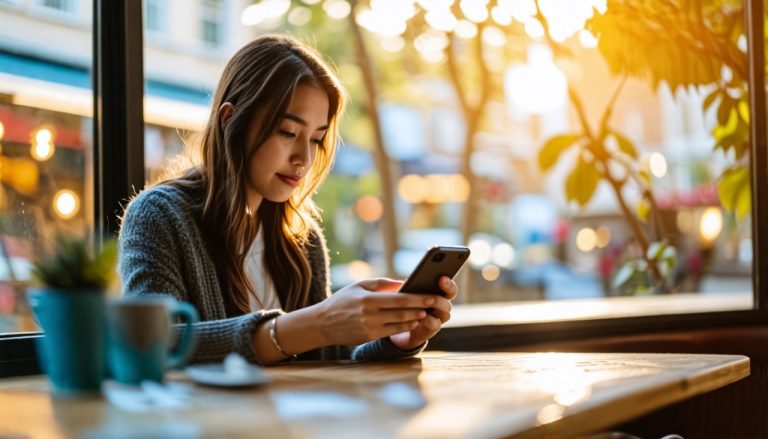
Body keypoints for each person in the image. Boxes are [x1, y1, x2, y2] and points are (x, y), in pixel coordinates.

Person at [118, 34, 457, 366]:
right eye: (288, 133)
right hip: (204, 423)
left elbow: (326, 360)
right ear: (229, 120)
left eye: (316, 139)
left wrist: (396, 341)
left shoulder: (302, 239)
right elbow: (153, 342)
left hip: (291, 422)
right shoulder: (158, 216)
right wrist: (318, 323)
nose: (304, 158)